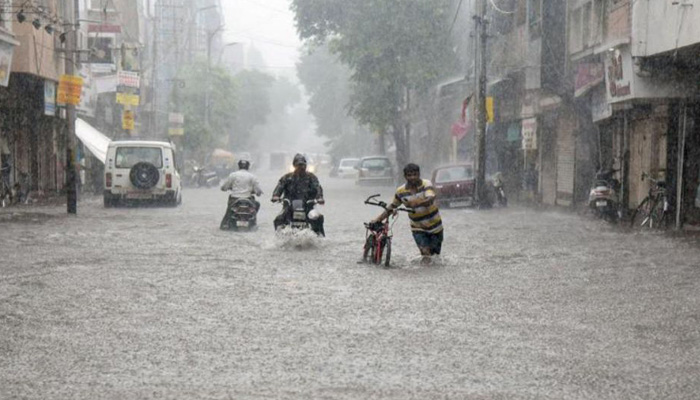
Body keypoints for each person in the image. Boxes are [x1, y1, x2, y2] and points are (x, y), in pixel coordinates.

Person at [372, 163, 443, 264]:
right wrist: (378, 219)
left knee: (435, 256)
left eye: (415, 174)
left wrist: (417, 203)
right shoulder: (400, 191)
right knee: (425, 253)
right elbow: (392, 206)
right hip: (418, 228)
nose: (412, 177)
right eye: (409, 175)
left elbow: (430, 198)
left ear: (419, 174)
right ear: (405, 176)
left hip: (436, 227)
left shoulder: (426, 184)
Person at [271, 153, 325, 236]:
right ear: (294, 165)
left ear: (306, 165)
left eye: (303, 165)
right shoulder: (286, 178)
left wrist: (320, 198)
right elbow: (279, 187)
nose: (301, 167)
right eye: (298, 165)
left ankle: (321, 238)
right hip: (289, 207)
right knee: (278, 220)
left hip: (308, 207)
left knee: (318, 218)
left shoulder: (311, 177)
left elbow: (318, 188)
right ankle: (278, 239)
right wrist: (276, 196)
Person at [219, 159, 263, 230]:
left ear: (238, 166)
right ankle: (253, 222)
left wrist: (227, 188)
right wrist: (257, 192)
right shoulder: (252, 177)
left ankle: (225, 224)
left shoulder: (233, 175)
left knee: (228, 212)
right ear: (248, 167)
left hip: (234, 199)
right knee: (257, 204)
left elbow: (224, 187)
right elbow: (258, 191)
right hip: (248, 199)